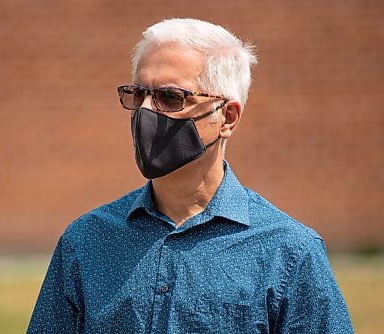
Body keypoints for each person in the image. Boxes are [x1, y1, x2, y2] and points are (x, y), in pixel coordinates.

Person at [27, 18, 353, 333]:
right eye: (138, 94)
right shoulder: (86, 240)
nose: (147, 112)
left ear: (227, 117)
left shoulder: (290, 251)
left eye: (170, 97)